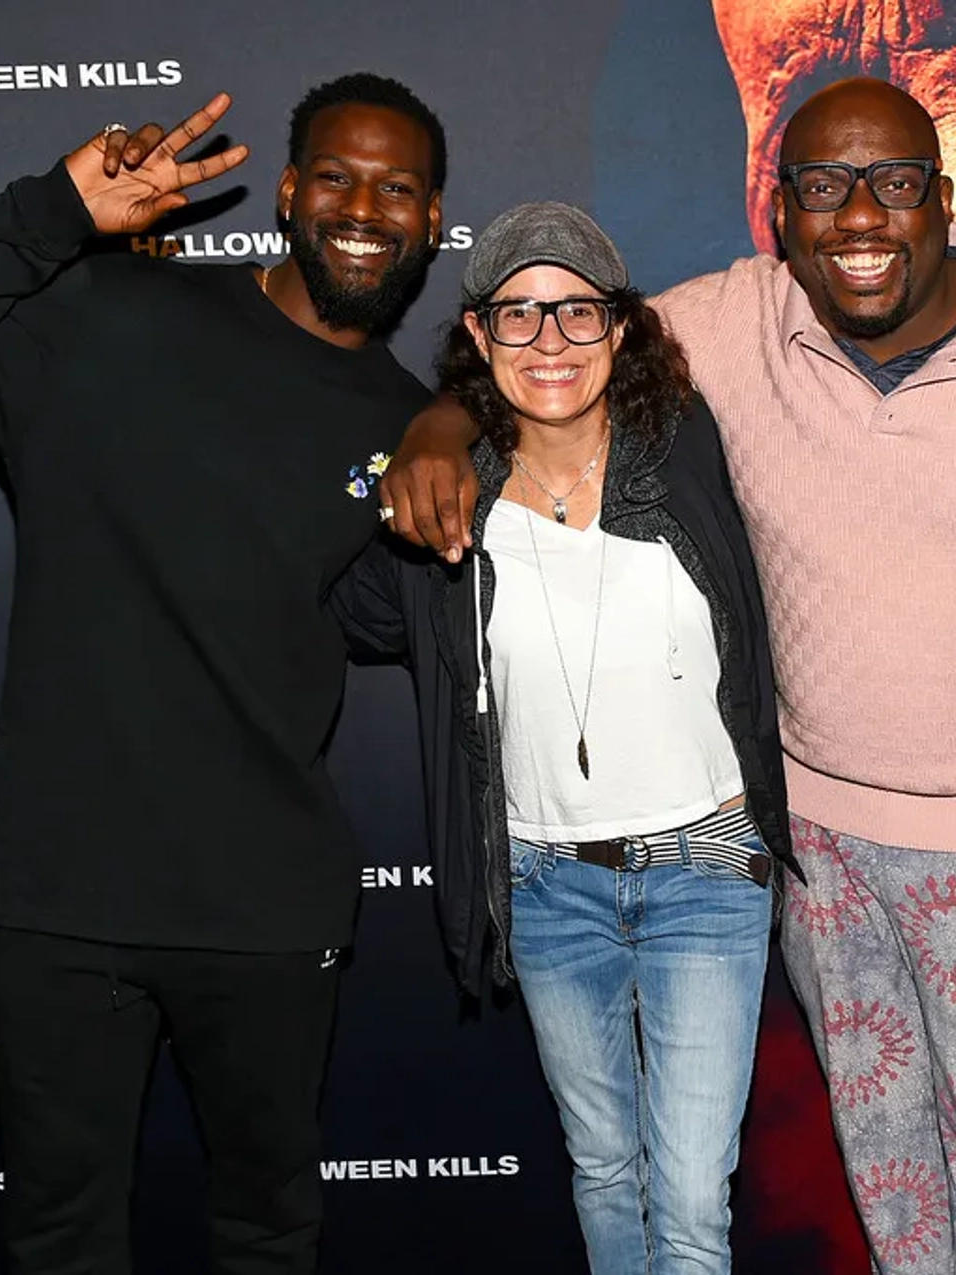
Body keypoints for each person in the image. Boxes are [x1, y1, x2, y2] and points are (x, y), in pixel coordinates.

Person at [377, 77, 956, 1275]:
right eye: (823, 185)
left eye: (894, 182)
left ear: (943, 196)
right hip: (820, 848)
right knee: (893, 1183)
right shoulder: (727, 325)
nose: (859, 215)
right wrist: (440, 423)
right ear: (781, 211)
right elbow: (551, 344)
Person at [0, 73, 447, 1274]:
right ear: (285, 192)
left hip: (267, 910)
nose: (363, 206)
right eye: (336, 175)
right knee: (62, 1243)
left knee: (269, 1236)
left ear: (430, 221)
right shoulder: (108, 314)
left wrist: (458, 421)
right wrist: (50, 212)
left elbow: (411, 613)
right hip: (63, 898)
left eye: (399, 188)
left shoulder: (404, 422)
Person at [329, 201, 792, 1275]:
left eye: (578, 314)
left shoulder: (690, 454)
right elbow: (346, 591)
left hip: (708, 869)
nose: (550, 343)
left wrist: (443, 416)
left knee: (688, 1199)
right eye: (520, 317)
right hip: (544, 883)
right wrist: (421, 438)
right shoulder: (452, 502)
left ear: (620, 328)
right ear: (478, 336)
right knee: (600, 1169)